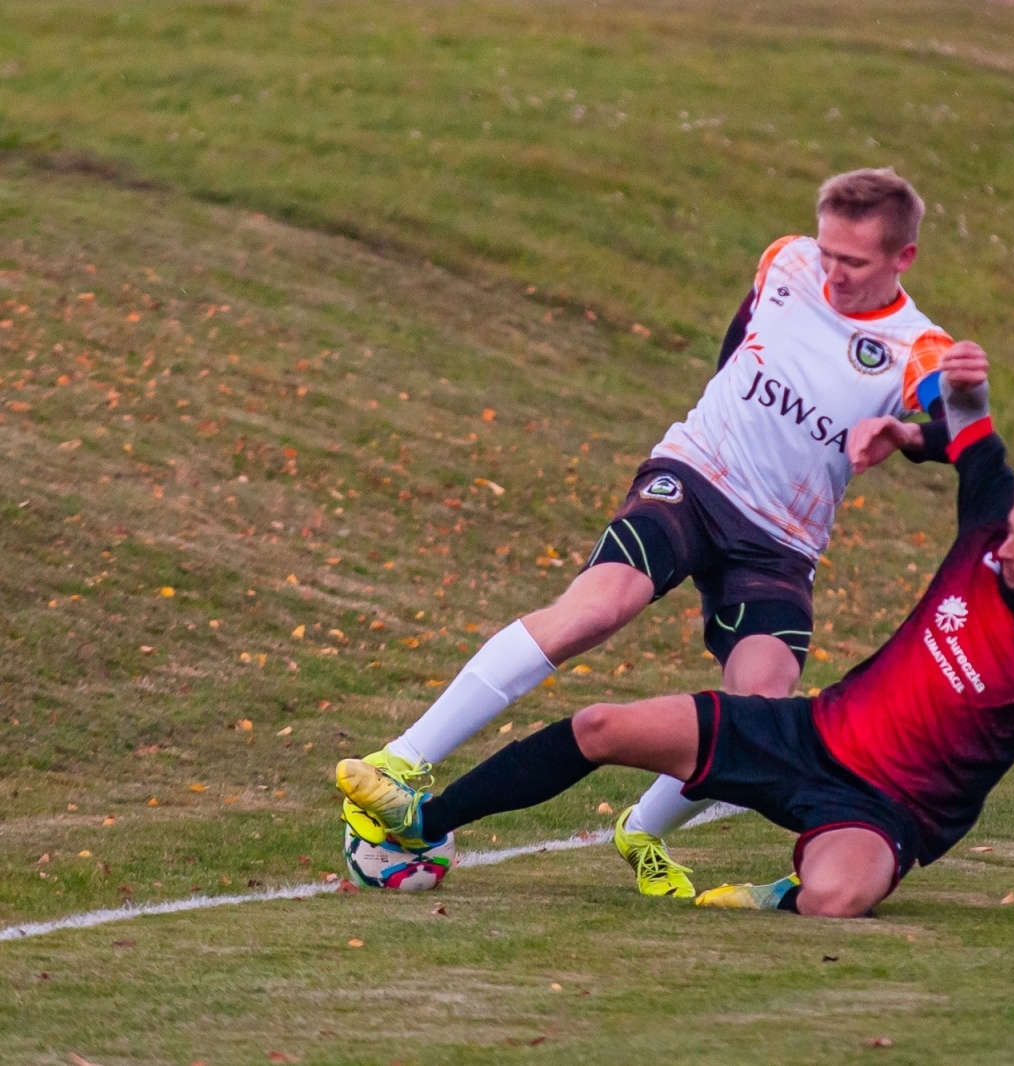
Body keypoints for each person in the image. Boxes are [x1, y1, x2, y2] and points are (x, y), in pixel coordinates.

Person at [340, 168, 964, 900]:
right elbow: (741, 344)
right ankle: (402, 760)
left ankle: (641, 831)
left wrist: (904, 436)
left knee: (759, 706)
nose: (832, 272)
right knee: (600, 607)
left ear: (903, 257)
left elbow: (960, 431)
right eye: (827, 251)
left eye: (853, 261)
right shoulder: (785, 260)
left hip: (780, 544)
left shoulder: (917, 346)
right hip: (694, 479)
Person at [337, 348, 1014, 921]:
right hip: (808, 736)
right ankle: (423, 825)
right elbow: (971, 431)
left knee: (834, 900)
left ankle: (781, 892)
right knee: (602, 726)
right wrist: (945, 404)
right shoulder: (992, 523)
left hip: (890, 811)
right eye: (1010, 533)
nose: (1006, 550)